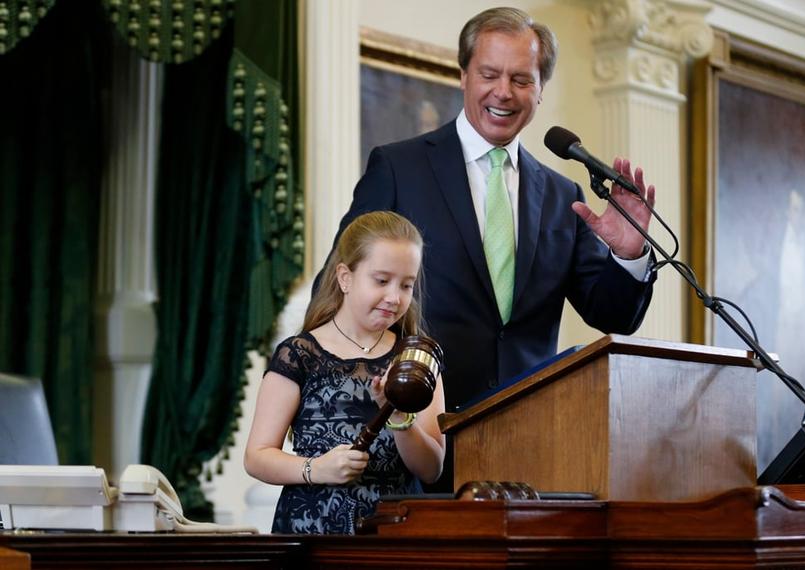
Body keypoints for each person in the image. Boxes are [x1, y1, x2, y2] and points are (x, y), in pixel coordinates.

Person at [326, 7, 657, 490]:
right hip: (412, 446)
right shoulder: (399, 168)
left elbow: (614, 316)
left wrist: (629, 256)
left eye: (522, 79)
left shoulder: (565, 197)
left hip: (526, 453)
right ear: (463, 76)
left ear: (541, 90)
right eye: (490, 74)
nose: (503, 91)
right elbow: (336, 294)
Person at [245, 211, 446, 534]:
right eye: (381, 281)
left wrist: (397, 417)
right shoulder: (299, 354)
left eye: (406, 285)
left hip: (396, 533)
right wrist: (317, 469)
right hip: (311, 532)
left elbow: (430, 469)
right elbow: (257, 456)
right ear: (345, 277)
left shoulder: (416, 358)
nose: (394, 297)